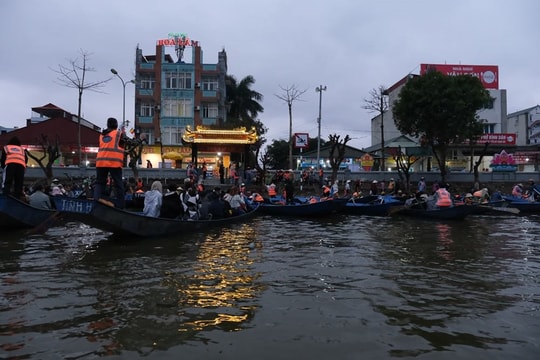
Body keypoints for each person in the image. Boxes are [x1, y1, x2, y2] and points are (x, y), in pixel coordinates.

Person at [93, 117, 127, 208]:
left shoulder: (102, 135)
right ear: (116, 125)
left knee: (100, 183)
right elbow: (127, 143)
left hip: (100, 162)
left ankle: (96, 201)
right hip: (114, 162)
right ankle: (120, 206)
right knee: (118, 183)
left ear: (107, 125)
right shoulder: (119, 134)